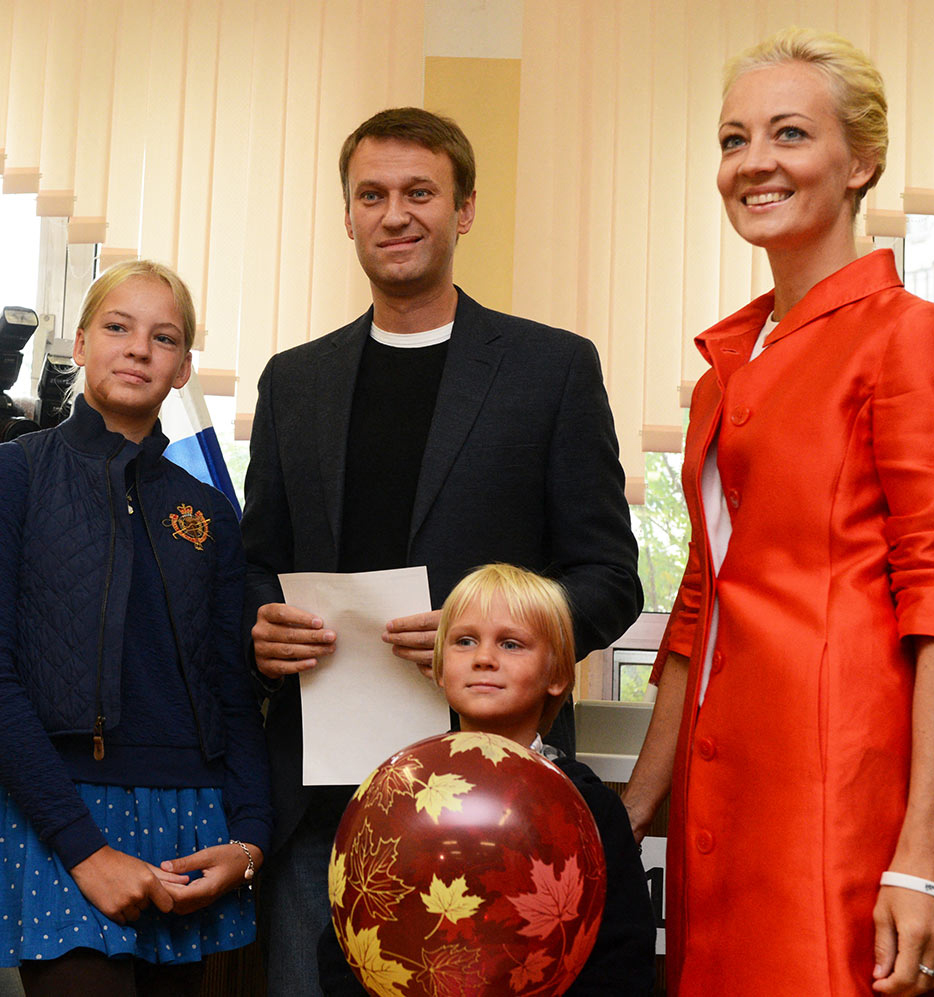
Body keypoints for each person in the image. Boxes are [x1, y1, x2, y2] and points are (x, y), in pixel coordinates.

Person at [240, 107, 642, 995]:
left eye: (419, 192)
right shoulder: (292, 381)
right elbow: (253, 565)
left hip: (505, 807)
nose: (395, 214)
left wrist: (494, 632)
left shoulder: (551, 370)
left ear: (463, 210)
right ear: (346, 215)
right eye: (371, 195)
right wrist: (255, 632)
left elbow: (610, 580)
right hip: (324, 803)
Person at [621, 27, 934, 997]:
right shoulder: (725, 373)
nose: (753, 162)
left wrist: (916, 857)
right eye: (731, 139)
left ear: (861, 161)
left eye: (788, 133)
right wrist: (632, 804)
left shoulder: (903, 340)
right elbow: (699, 601)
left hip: (837, 785)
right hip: (719, 790)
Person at [0, 261, 273, 996]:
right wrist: (83, 847)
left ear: (183, 369)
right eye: (117, 327)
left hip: (192, 820)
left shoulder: (208, 514)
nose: (138, 348)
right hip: (60, 810)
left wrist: (248, 840)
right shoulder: (16, 475)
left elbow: (231, 691)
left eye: (164, 337)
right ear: (82, 342)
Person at [317, 563, 656, 996]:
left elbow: (622, 958)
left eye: (511, 644)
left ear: (557, 676)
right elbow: (346, 943)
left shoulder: (589, 807)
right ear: (439, 668)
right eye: (464, 641)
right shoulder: (393, 796)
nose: (483, 658)